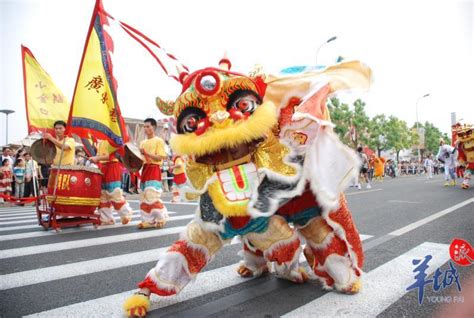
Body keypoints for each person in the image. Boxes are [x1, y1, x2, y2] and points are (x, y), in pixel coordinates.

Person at [89, 140, 133, 225]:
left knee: (114, 193)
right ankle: (106, 218)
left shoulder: (112, 140)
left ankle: (126, 213)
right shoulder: (100, 142)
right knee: (103, 195)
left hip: (112, 167)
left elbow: (112, 155)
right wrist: (95, 159)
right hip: (102, 168)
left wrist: (97, 158)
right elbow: (100, 156)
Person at [137, 118, 169, 229]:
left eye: (148, 126)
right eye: (144, 127)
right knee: (144, 196)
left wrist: (147, 154)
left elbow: (161, 156)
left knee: (152, 194)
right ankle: (148, 220)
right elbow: (141, 158)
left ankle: (161, 217)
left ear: (154, 127)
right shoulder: (142, 143)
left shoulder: (158, 140)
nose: (146, 129)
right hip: (145, 169)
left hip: (154, 169)